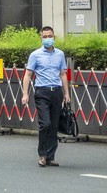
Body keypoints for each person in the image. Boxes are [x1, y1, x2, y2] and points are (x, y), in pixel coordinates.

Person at [22, 26, 71, 167]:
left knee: (54, 125)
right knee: (46, 124)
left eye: (50, 36)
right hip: (42, 92)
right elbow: (28, 75)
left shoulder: (60, 54)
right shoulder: (35, 55)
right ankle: (42, 155)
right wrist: (25, 93)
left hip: (56, 91)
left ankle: (51, 156)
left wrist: (66, 93)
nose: (48, 39)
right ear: (41, 38)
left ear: (54, 37)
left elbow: (63, 74)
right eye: (45, 37)